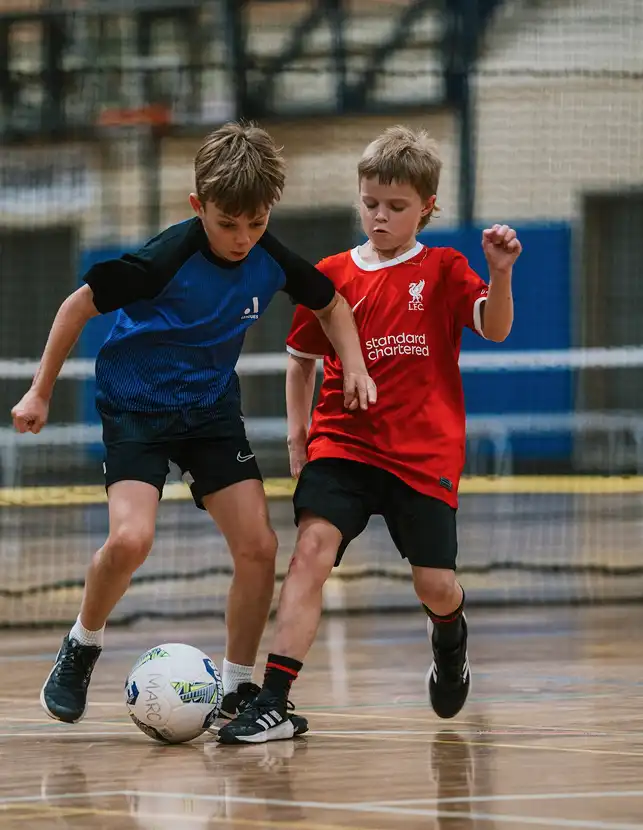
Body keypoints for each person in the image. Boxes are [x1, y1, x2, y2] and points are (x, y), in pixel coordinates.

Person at [10, 121, 376, 729]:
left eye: (256, 223)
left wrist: (355, 366)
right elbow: (77, 305)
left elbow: (332, 304)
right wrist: (39, 391)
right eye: (227, 223)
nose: (243, 239)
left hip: (209, 413)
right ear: (197, 206)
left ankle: (236, 688)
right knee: (131, 540)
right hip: (136, 407)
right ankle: (81, 644)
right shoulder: (162, 260)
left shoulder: (269, 258)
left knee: (259, 547)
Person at [218, 125, 521, 744]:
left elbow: (494, 328)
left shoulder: (443, 269)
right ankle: (273, 701)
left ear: (427, 208)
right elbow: (301, 362)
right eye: (370, 203)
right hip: (342, 446)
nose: (380, 216)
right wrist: (300, 438)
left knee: (434, 585)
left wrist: (500, 275)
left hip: (422, 454)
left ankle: (450, 634)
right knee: (309, 554)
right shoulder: (331, 275)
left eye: (396, 206)